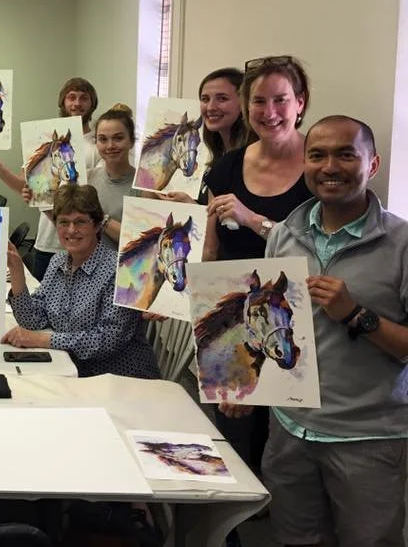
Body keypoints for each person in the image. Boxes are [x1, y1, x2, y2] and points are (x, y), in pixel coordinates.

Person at [263, 116, 408, 547]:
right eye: (318, 155)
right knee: (296, 540)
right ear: (304, 163)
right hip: (290, 431)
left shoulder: (401, 244)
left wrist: (354, 314)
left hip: (368, 438)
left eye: (346, 154)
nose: (330, 166)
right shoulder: (284, 235)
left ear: (373, 164)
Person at [203, 56, 313, 517]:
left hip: (300, 323)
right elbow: (210, 254)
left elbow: (320, 255)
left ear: (300, 104)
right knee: (235, 453)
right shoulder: (227, 169)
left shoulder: (320, 165)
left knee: (287, 459)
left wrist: (254, 220)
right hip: (237, 324)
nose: (270, 111)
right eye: (259, 101)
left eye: (281, 100)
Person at [4, 184, 159, 379]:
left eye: (80, 222)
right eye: (63, 222)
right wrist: (17, 273)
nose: (71, 230)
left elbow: (106, 340)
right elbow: (33, 319)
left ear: (96, 225)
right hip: (70, 370)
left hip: (120, 379)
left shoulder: (122, 271)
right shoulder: (57, 262)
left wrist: (44, 340)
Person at [0, 77, 101, 280]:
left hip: (85, 244)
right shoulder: (45, 140)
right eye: (72, 97)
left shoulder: (98, 143)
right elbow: (24, 186)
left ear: (92, 104)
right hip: (47, 243)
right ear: (63, 102)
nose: (77, 103)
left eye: (83, 98)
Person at [162, 68, 248, 205]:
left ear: (244, 103)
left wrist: (191, 206)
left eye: (222, 98)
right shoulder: (212, 159)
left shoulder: (251, 160)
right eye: (205, 99)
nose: (210, 107)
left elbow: (233, 222)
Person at [85, 104, 144, 250]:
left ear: (131, 141)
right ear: (96, 143)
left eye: (118, 138)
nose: (110, 145)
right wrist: (42, 203)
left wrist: (101, 218)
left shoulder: (144, 185)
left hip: (127, 270)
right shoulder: (87, 178)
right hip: (90, 269)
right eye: (103, 139)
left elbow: (140, 242)